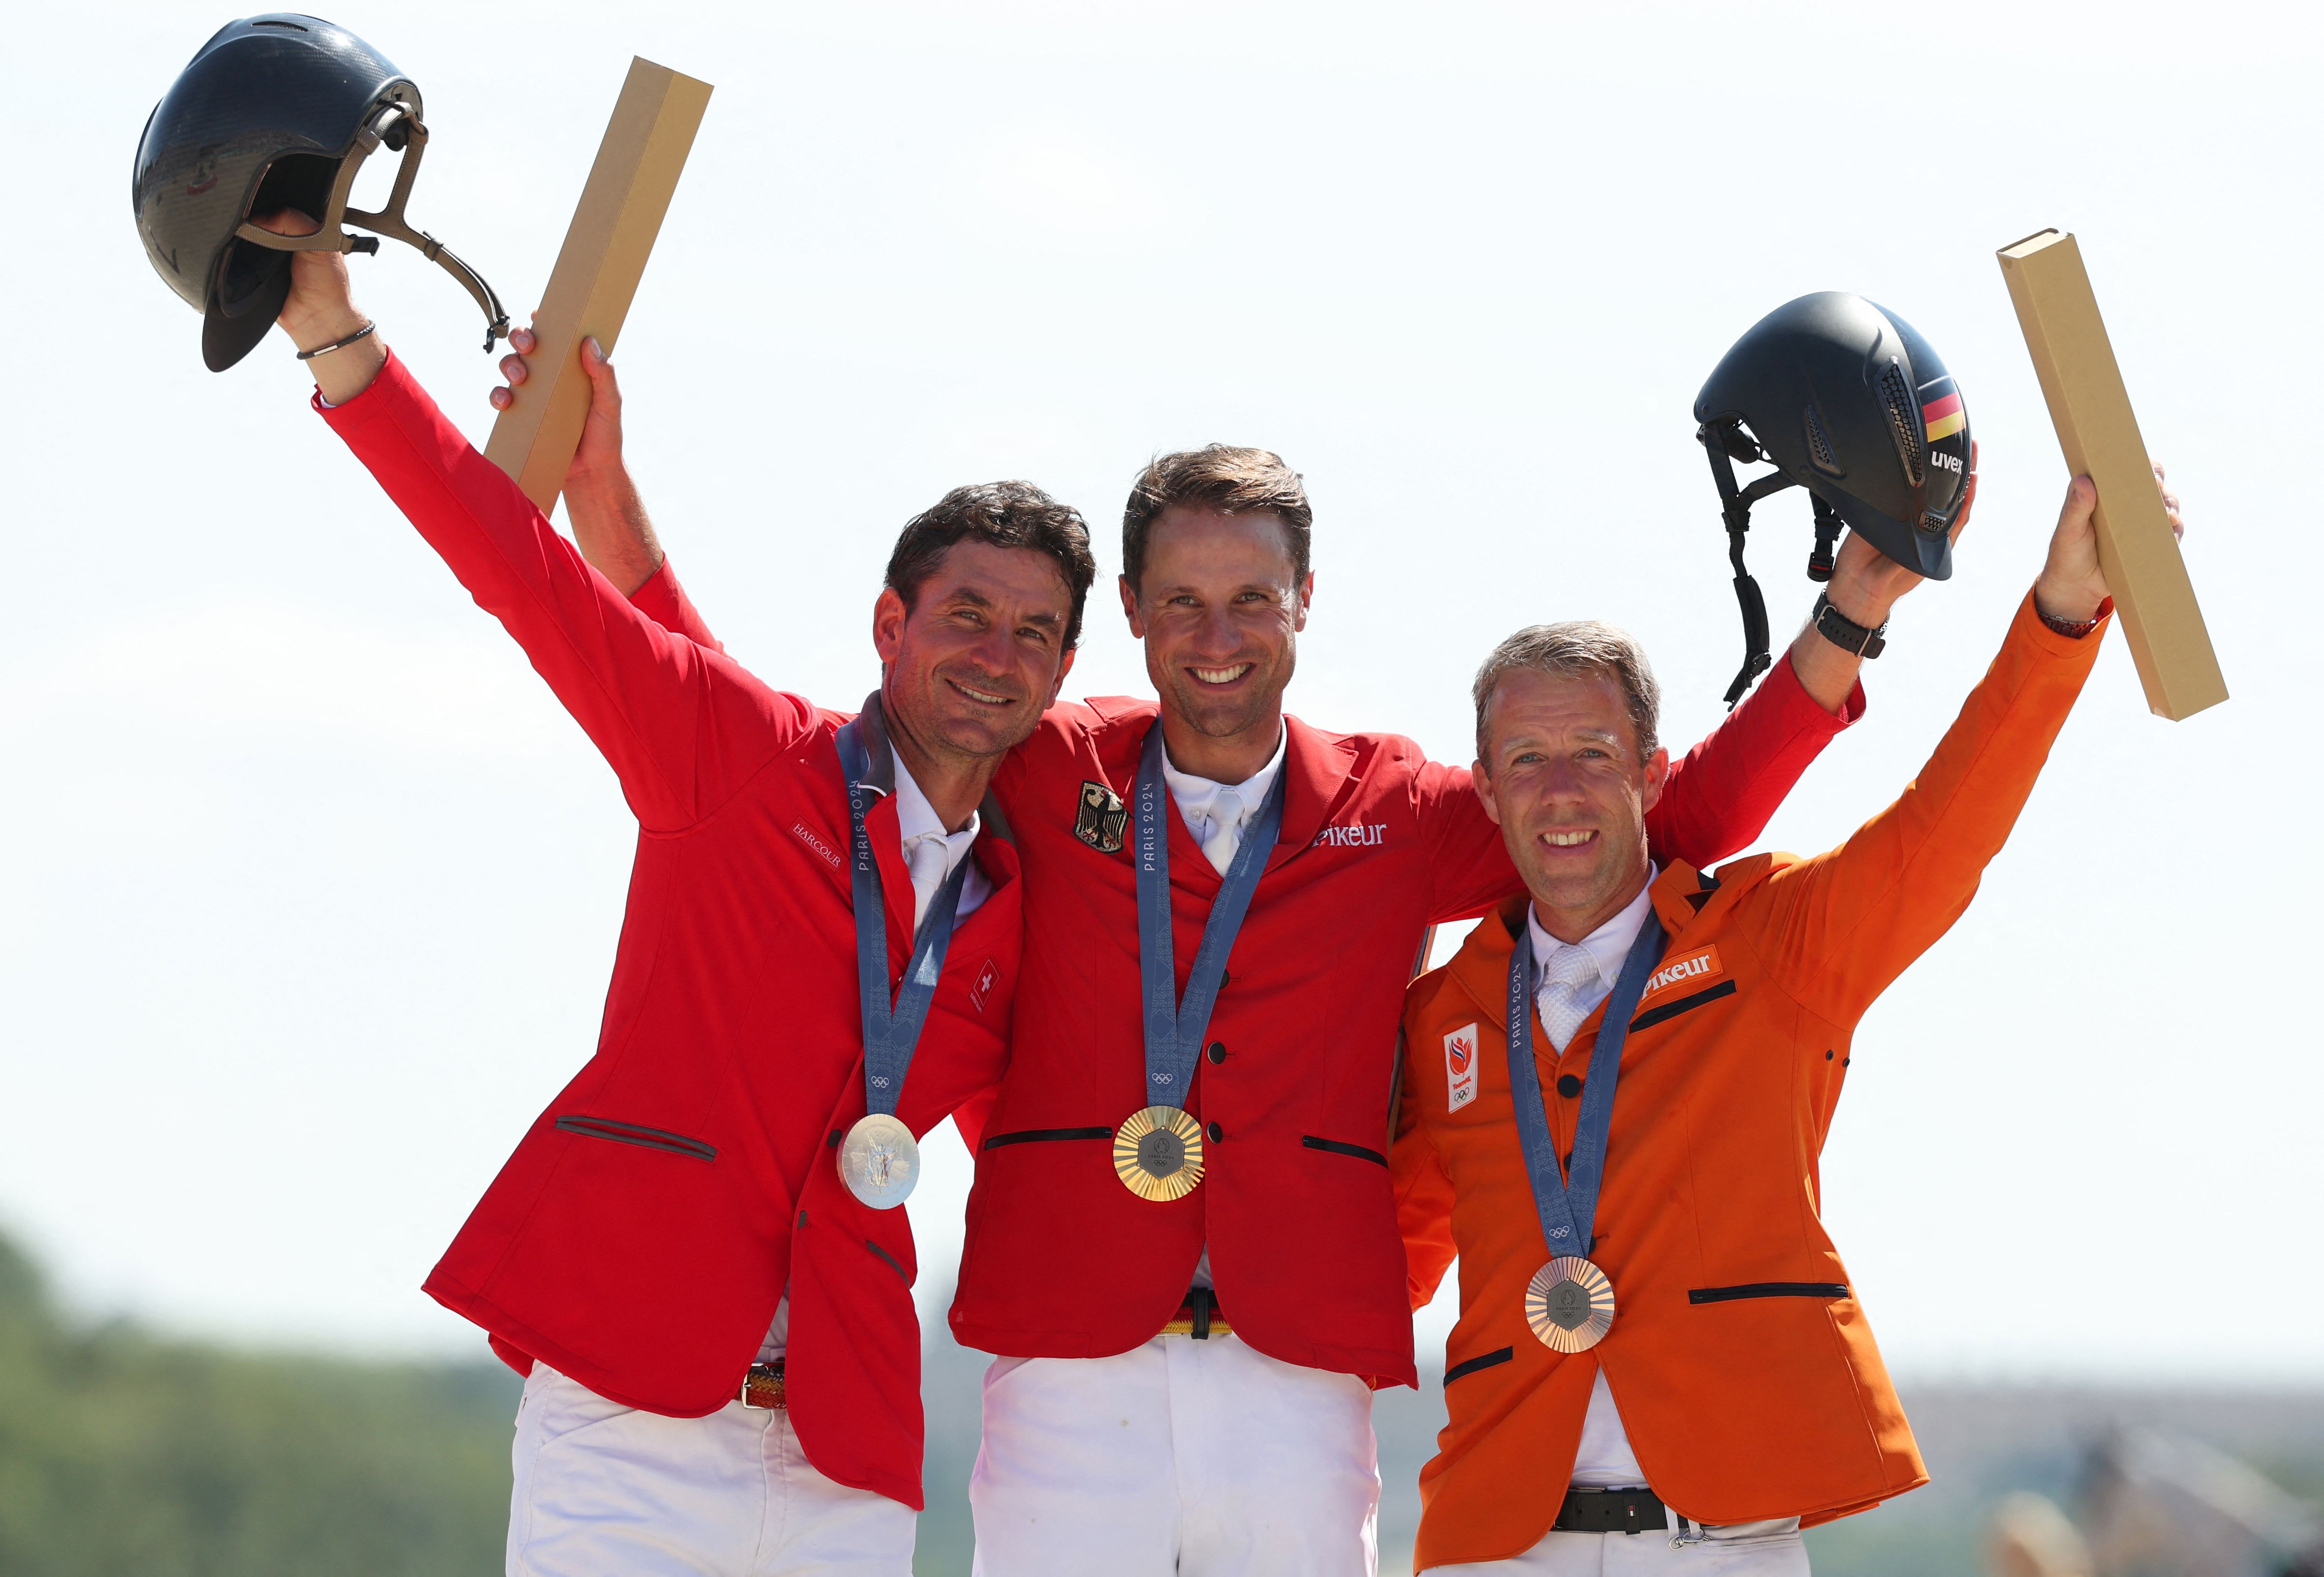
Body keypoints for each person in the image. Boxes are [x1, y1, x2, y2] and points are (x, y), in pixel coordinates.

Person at [507, 337, 1937, 1576]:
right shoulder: (1036, 757)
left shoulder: (1396, 806)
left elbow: (1665, 819)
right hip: (1068, 1358)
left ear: (1305, 601)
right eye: (1181, 601)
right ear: (1125, 611)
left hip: (1297, 1366)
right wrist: (609, 513)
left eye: (1251, 598)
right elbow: (777, 754)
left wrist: (1844, 624)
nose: (1216, 636)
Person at [261, 218, 1097, 1574]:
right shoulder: (746, 760)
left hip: (847, 1439)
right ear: (889, 625)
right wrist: (337, 338)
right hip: (634, 1412)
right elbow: (527, 582)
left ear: (1061, 674)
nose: (994, 655)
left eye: (1033, 632)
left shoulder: (1011, 903)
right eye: (966, 614)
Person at [1391, 465, 2179, 1572]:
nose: (1559, 790)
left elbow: (1942, 833)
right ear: (1482, 787)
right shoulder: (1440, 1019)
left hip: (1726, 1539)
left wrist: (2058, 617)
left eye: (1593, 755)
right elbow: (1374, 1264)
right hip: (1497, 1538)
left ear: (1651, 775)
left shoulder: (1771, 942)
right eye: (1526, 759)